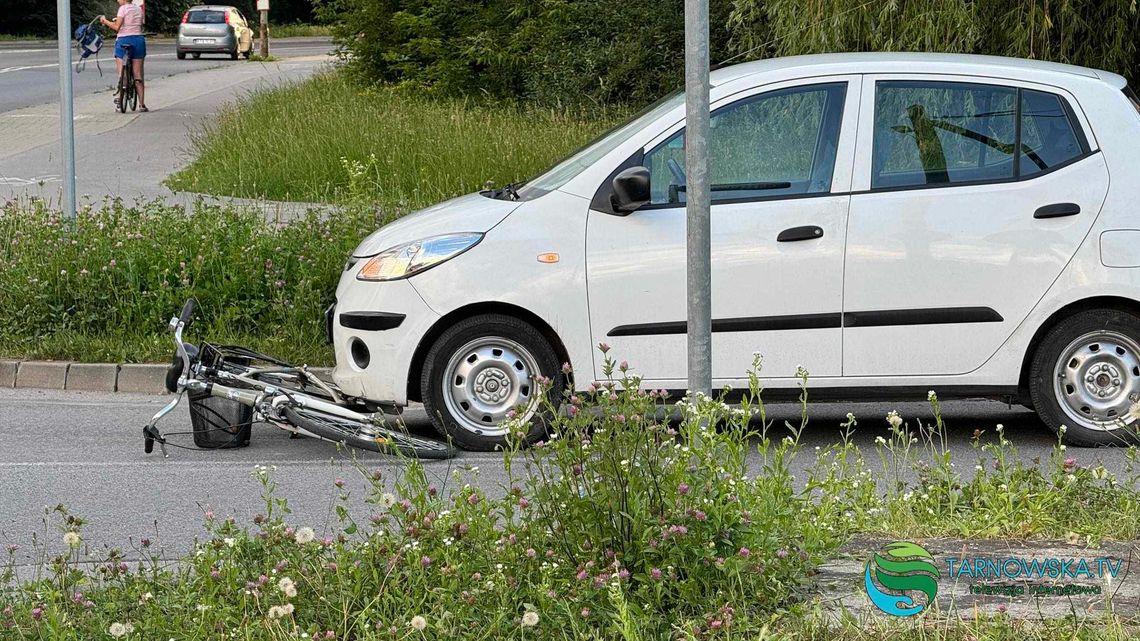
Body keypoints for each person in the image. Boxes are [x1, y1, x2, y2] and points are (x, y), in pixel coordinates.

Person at [99, 0, 147, 112]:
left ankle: (120, 102)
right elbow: (139, 23)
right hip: (138, 40)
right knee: (138, 75)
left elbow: (117, 27)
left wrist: (105, 21)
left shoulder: (123, 9)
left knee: (122, 74)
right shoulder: (138, 9)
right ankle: (142, 104)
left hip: (123, 40)